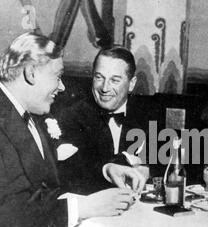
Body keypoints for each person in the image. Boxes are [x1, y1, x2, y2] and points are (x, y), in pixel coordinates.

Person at [0, 33, 142, 227]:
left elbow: (53, 174)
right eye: (57, 76)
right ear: (32, 73)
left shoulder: (25, 114)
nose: (61, 87)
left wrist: (106, 169)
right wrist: (83, 207)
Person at [54, 45, 148, 194]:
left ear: (131, 84)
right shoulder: (70, 117)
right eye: (99, 77)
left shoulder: (146, 114)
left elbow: (163, 160)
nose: (104, 88)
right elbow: (70, 172)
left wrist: (147, 170)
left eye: (114, 80)